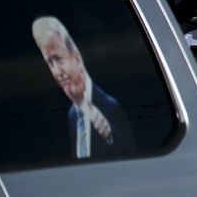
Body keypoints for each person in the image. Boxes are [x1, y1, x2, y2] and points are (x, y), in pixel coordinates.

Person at [31, 16, 134, 159]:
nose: (57, 72)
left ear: (77, 58)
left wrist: (109, 136)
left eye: (59, 59)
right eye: (50, 63)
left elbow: (130, 161)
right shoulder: (73, 114)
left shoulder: (110, 107)